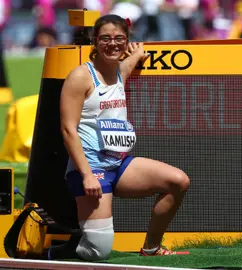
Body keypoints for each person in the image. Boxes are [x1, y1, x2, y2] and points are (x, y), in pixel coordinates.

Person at [59, 14, 191, 261]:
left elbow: (133, 58)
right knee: (99, 251)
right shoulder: (80, 77)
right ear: (95, 41)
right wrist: (87, 175)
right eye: (106, 38)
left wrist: (138, 52)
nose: (113, 44)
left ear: (126, 40)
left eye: (119, 38)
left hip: (119, 164)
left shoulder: (120, 71)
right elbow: (68, 130)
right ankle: (62, 251)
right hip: (91, 168)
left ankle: (151, 247)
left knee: (178, 181)